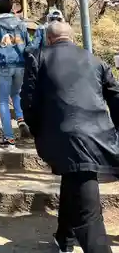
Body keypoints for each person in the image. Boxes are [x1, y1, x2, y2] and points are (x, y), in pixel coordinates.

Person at [21, 21, 119, 253]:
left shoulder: (37, 57)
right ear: (72, 38)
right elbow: (115, 97)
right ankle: (64, 238)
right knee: (73, 178)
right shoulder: (95, 60)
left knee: (89, 211)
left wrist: (37, 130)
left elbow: (28, 101)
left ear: (48, 38)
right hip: (98, 134)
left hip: (65, 136)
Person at [0, 0, 31, 149]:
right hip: (21, 64)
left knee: (3, 101)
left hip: (3, 65)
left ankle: (9, 137)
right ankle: (21, 118)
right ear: (11, 9)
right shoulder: (21, 24)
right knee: (17, 93)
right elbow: (28, 44)